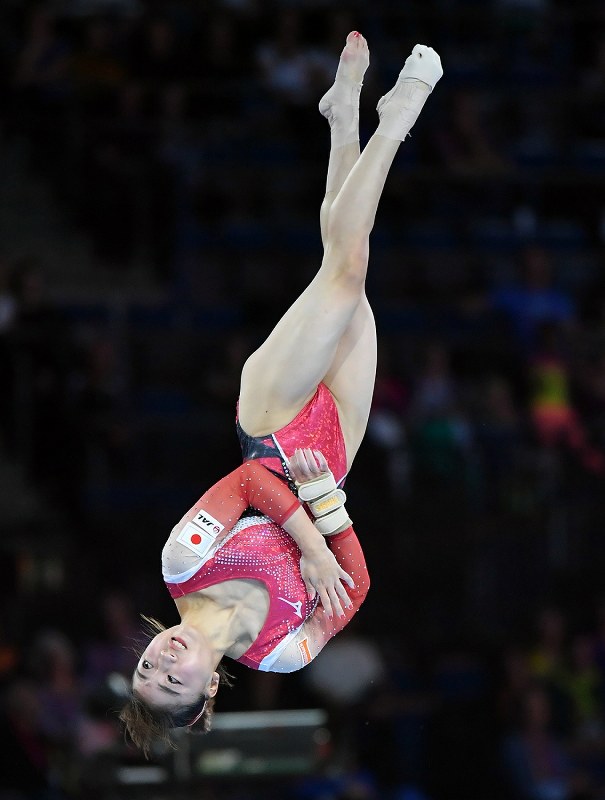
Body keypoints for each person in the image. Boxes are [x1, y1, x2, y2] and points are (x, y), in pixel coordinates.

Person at [120, 32, 443, 754]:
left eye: (147, 665)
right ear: (207, 694)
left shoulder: (183, 561)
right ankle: (340, 115)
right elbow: (353, 590)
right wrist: (328, 514)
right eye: (172, 680)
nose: (164, 659)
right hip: (335, 456)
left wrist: (311, 543)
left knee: (348, 266)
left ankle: (397, 114)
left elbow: (248, 481)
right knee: (343, 260)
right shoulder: (282, 652)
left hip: (270, 418)